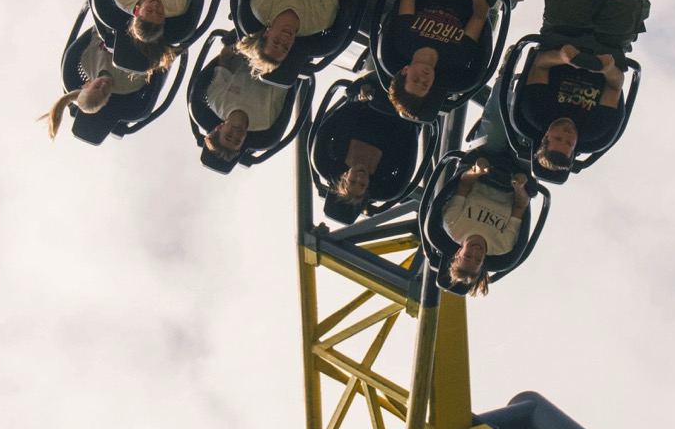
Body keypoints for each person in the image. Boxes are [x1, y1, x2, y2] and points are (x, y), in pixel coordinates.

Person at [514, 0, 648, 172]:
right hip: (608, 49)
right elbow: (615, 86)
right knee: (628, 3)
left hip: (563, 39)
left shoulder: (535, 113)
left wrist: (563, 57)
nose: (566, 133)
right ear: (576, 146)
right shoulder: (596, 130)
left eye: (558, 138)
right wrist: (608, 68)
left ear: (545, 137)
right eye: (569, 141)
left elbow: (539, 65)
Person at [311, 75, 420, 217]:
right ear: (368, 187)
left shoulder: (332, 155)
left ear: (344, 175)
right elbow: (410, 144)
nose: (360, 178)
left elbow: (336, 119)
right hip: (406, 105)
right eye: (362, 185)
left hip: (372, 89)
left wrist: (358, 95)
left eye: (353, 181)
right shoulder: (387, 175)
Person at [440, 157, 530, 296]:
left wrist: (476, 171)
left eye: (468, 255)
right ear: (483, 262)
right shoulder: (502, 245)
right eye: (478, 260)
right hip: (513, 181)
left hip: (484, 170)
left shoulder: (452, 225)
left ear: (459, 253)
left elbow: (463, 185)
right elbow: (520, 207)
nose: (476, 252)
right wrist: (519, 188)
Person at [41, 29, 148, 139]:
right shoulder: (130, 84)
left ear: (87, 84)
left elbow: (97, 30)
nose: (104, 86)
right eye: (104, 93)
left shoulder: (87, 62)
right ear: (107, 99)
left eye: (96, 86)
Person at [201, 41, 292, 162]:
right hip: (281, 56)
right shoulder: (265, 120)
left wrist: (239, 46)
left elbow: (225, 57)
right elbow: (283, 82)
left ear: (219, 127)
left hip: (249, 44)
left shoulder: (215, 99)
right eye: (238, 140)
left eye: (228, 136)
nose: (236, 134)